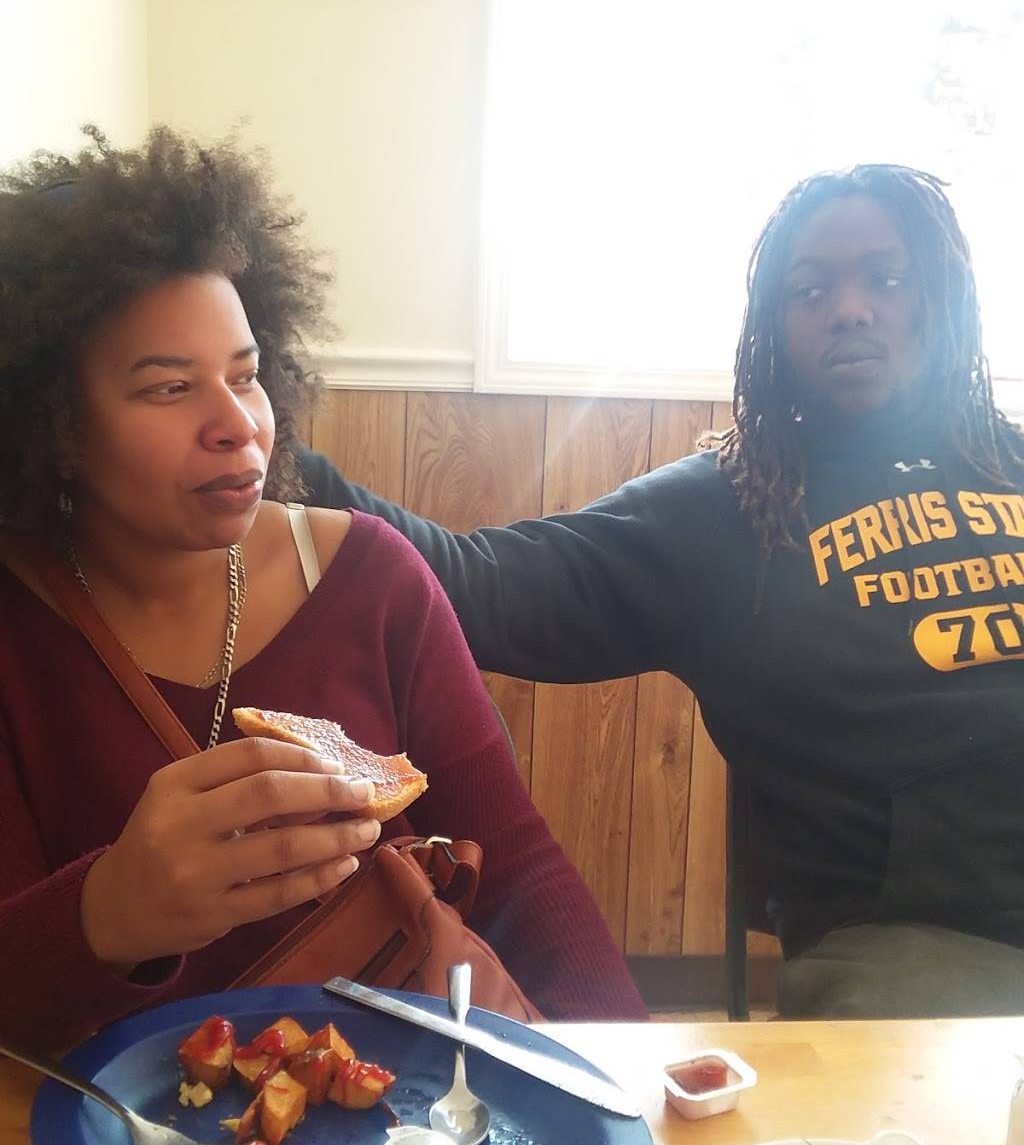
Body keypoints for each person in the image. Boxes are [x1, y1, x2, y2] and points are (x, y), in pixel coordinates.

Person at [299, 164, 1024, 1019]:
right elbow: (483, 583)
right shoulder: (725, 510)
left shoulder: (1009, 460)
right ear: (773, 330)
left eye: (888, 279)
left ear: (942, 297)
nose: (851, 308)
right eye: (811, 290)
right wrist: (274, 455)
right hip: (922, 948)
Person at [0, 127, 646, 1052]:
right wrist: (107, 913)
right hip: (110, 1122)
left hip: (391, 1098)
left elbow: (520, 868)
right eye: (169, 388)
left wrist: (633, 1077)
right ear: (53, 420)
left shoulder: (372, 580)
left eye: (246, 375)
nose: (237, 424)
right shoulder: (18, 628)